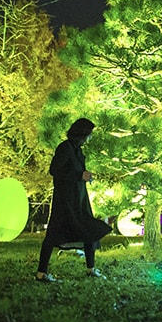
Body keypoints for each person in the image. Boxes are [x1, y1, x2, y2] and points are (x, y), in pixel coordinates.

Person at [35, 118, 112, 283]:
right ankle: (41, 272)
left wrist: (84, 176)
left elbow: (76, 170)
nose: (89, 138)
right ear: (82, 133)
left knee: (88, 227)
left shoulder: (77, 150)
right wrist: (79, 175)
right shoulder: (65, 148)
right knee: (53, 233)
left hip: (79, 197)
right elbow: (55, 170)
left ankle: (91, 268)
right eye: (89, 134)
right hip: (65, 200)